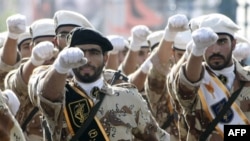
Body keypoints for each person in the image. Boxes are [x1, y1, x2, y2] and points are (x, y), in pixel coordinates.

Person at [28, 27, 170, 141]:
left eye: (94, 52)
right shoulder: (60, 94)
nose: (87, 59)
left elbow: (157, 137)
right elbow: (44, 94)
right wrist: (60, 67)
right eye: (81, 52)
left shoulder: (128, 97)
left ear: (105, 58)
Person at [167, 13, 250, 141]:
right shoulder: (195, 78)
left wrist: (229, 133)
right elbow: (185, 88)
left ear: (233, 44)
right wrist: (196, 51)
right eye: (208, 43)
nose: (215, 50)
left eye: (222, 41)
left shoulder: (247, 78)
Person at [4, 18, 57, 141]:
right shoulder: (23, 70)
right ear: (32, 46)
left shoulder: (71, 74)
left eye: (53, 44)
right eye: (40, 44)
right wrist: (35, 61)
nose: (48, 49)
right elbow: (17, 83)